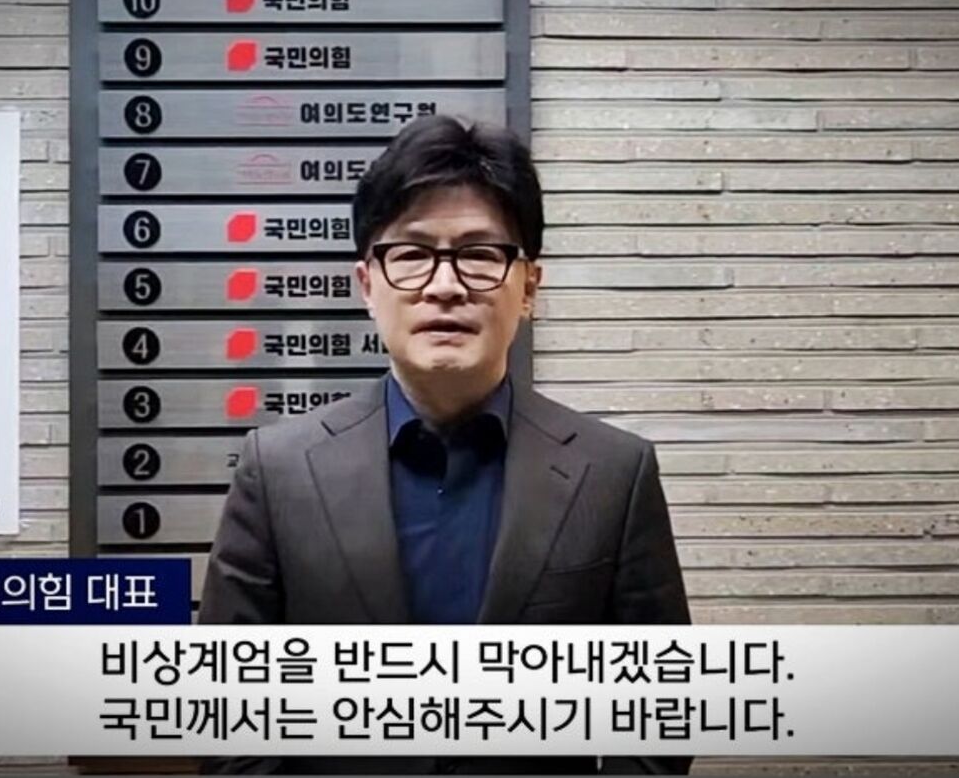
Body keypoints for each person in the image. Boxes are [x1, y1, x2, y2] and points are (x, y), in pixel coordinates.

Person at [197, 116, 692, 775]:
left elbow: (657, 718)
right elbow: (231, 722)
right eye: (411, 254)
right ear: (367, 285)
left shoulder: (613, 472)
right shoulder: (278, 470)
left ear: (529, 287)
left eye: (480, 254)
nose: (445, 285)